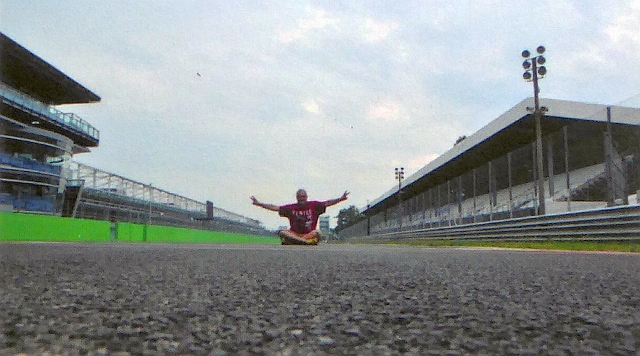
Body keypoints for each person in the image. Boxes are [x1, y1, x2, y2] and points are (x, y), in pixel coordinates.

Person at [251, 189, 349, 245]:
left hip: (309, 234)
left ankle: (299, 241)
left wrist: (340, 199)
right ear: (296, 197)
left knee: (318, 232)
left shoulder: (314, 205)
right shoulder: (291, 208)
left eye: (303, 196)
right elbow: (275, 207)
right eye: (299, 197)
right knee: (282, 232)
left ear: (306, 197)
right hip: (295, 234)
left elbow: (327, 203)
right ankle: (303, 242)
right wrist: (259, 204)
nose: (301, 199)